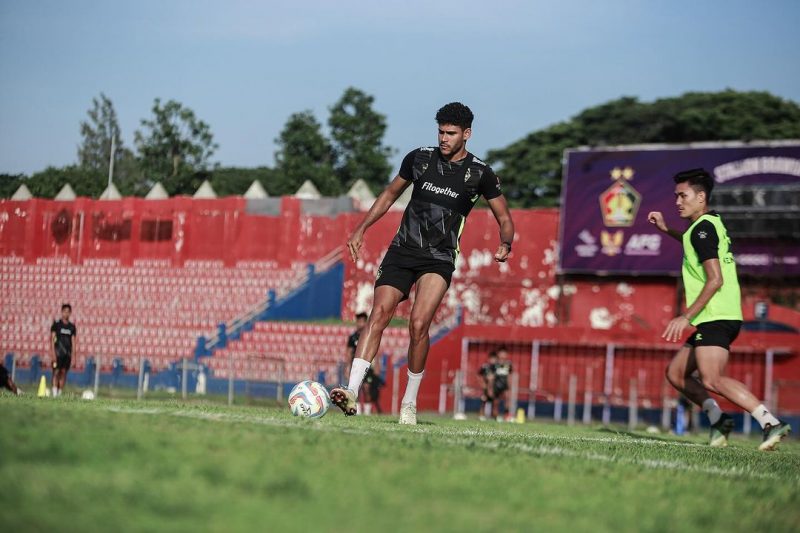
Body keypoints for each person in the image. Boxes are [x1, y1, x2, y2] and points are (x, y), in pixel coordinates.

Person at [331, 102, 515, 424]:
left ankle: (409, 403)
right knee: (379, 313)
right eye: (441, 131)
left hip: (439, 258)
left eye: (451, 133)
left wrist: (506, 242)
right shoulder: (419, 158)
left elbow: (504, 216)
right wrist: (362, 228)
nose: (444, 138)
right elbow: (389, 194)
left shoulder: (480, 174)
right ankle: (351, 390)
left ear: (466, 134)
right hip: (402, 250)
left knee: (418, 324)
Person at [649, 168, 791, 450]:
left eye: (683, 195)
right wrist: (667, 231)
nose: (677, 201)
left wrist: (685, 315)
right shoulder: (707, 225)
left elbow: (715, 279)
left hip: (717, 315)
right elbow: (695, 244)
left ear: (701, 197)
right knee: (676, 373)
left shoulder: (701, 229)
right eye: (676, 196)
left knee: (712, 378)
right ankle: (719, 420)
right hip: (715, 316)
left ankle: (771, 423)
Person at [50, 303, 77, 397]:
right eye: (64, 311)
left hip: (67, 354)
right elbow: (52, 339)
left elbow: (73, 342)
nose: (66, 314)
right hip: (58, 353)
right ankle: (54, 393)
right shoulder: (56, 325)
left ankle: (59, 393)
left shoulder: (72, 327)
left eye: (68, 312)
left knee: (63, 372)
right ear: (62, 312)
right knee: (56, 372)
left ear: (70, 313)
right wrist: (53, 353)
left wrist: (74, 355)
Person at [492, 347, 513, 420]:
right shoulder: (495, 364)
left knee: (507, 399)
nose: (502, 356)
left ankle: (506, 414)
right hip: (496, 385)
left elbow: (510, 375)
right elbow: (492, 375)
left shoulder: (508, 364)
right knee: (496, 401)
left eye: (504, 354)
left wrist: (510, 385)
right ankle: (495, 416)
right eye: (501, 354)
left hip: (505, 384)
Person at [478, 351, 498, 421]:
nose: (493, 360)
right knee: (484, 399)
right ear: (489, 359)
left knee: (495, 401)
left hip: (494, 388)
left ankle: (495, 416)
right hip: (485, 388)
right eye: (492, 359)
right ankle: (481, 415)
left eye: (494, 359)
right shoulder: (485, 367)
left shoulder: (497, 368)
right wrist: (482, 384)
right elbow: (479, 375)